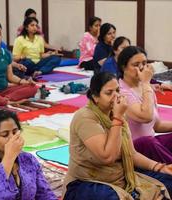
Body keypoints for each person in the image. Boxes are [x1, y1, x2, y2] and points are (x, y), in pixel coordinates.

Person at [62, 72, 172, 200]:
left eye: (117, 90)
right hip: (86, 182)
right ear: (95, 97)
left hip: (120, 177)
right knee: (112, 197)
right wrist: (118, 118)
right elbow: (107, 156)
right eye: (109, 93)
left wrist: (160, 167)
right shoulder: (85, 117)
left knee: (168, 182)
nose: (116, 97)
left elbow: (132, 154)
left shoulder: (116, 114)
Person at [0, 110, 57, 199]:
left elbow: (45, 194)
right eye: (5, 135)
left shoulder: (28, 159)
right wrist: (8, 158)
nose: (12, 138)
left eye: (15, 132)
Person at [118, 46, 172, 164]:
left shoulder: (145, 88)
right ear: (123, 67)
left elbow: (156, 126)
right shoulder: (121, 92)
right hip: (133, 149)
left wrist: (146, 85)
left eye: (144, 63)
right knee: (148, 142)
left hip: (151, 144)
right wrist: (146, 83)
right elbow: (146, 117)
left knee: (153, 142)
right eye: (136, 64)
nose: (142, 68)